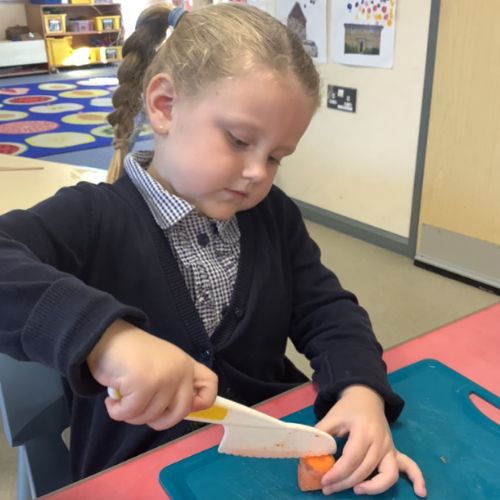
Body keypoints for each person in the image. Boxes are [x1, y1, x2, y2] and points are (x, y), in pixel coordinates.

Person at [0, 3, 426, 496]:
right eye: (239, 140)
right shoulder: (92, 217)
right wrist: (107, 339)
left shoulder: (273, 215)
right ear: (164, 106)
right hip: (142, 467)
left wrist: (360, 388)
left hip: (273, 448)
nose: (258, 173)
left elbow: (328, 310)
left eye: (276, 156)